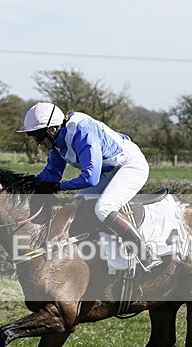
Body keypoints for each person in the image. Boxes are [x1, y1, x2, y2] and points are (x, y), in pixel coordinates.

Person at [18, 102, 161, 271]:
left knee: (104, 208)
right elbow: (51, 174)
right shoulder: (56, 141)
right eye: (33, 137)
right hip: (107, 172)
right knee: (77, 206)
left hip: (129, 166)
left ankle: (146, 254)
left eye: (38, 136)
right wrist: (23, 185)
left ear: (52, 129)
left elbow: (90, 178)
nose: (37, 142)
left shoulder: (81, 131)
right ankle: (96, 258)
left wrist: (59, 187)